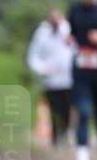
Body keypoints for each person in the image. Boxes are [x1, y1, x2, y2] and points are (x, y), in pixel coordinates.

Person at [67, 0, 97, 160]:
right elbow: (72, 33)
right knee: (83, 110)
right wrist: (70, 39)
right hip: (81, 68)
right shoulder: (75, 9)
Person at [26, 9, 73, 146]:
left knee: (67, 108)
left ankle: (66, 131)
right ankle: (55, 135)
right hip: (50, 80)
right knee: (53, 108)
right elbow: (33, 56)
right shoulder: (42, 33)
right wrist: (42, 69)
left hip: (69, 79)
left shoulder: (69, 30)